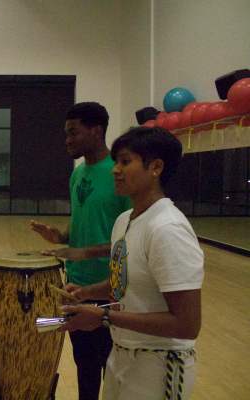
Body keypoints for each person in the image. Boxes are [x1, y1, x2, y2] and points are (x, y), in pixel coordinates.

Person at [61, 126, 204, 400]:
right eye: (116, 162)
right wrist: (86, 293)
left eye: (125, 161)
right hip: (122, 354)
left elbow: (187, 324)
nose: (115, 170)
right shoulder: (124, 221)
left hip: (159, 365)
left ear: (156, 167)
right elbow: (122, 283)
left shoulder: (168, 228)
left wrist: (103, 316)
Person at [30, 102, 130, 400]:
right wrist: (59, 235)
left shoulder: (120, 175)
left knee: (113, 371)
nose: (67, 140)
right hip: (76, 286)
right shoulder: (77, 175)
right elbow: (83, 223)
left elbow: (130, 239)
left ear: (96, 130)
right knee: (85, 368)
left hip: (112, 290)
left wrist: (82, 253)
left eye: (73, 132)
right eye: (66, 134)